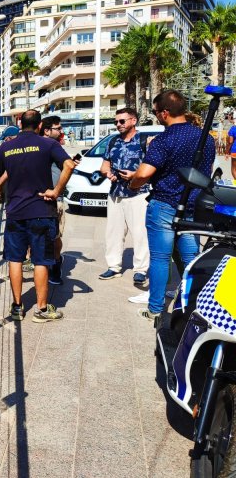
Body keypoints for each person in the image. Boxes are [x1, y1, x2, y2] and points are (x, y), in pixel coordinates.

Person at [129, 90, 216, 321]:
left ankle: (156, 309)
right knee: (191, 259)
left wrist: (133, 181)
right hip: (191, 206)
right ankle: (198, 307)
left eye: (157, 113)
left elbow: (145, 173)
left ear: (165, 113)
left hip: (165, 204)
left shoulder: (164, 139)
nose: (157, 117)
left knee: (159, 258)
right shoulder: (206, 137)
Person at [0, 110, 75, 323]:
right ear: (39, 124)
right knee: (41, 261)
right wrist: (56, 190)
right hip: (42, 210)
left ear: (19, 124)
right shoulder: (47, 144)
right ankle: (42, 309)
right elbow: (69, 164)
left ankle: (17, 307)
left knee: (15, 259)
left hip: (15, 211)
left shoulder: (6, 147)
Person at [97, 108, 150, 287]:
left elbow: (153, 168)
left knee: (140, 233)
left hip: (139, 194)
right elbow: (104, 166)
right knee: (113, 233)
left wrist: (135, 174)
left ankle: (140, 270)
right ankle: (113, 267)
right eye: (116, 122)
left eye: (122, 121)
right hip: (116, 194)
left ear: (133, 121)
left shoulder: (145, 141)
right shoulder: (113, 142)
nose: (118, 125)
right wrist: (108, 174)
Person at [38, 115, 70, 285]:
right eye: (58, 128)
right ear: (47, 130)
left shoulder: (55, 145)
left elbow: (69, 165)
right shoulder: (40, 145)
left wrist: (57, 191)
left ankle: (56, 265)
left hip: (55, 199)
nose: (61, 131)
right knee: (39, 236)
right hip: (38, 199)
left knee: (55, 236)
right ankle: (45, 265)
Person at [227, 112, 236, 179]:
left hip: (235, 150)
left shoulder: (233, 129)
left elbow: (230, 141)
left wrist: (227, 151)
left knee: (234, 169)